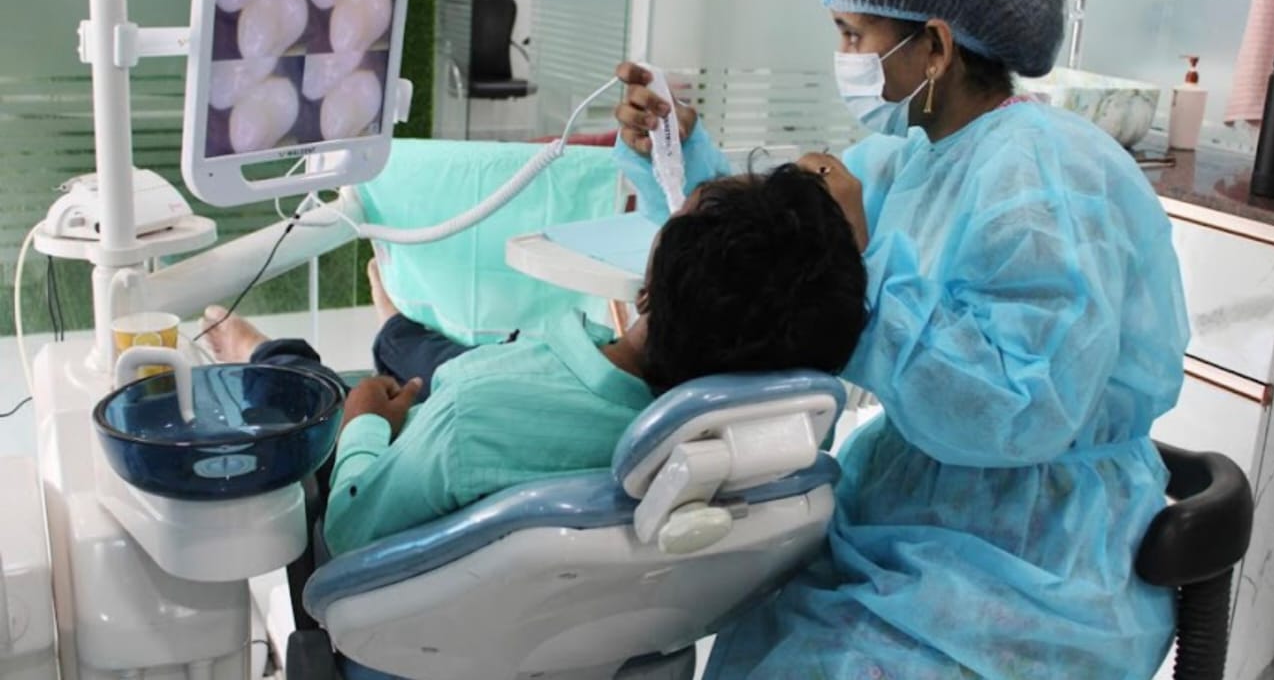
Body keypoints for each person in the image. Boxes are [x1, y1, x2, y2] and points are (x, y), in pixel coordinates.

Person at [612, 0, 1189, 680]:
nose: (843, 56)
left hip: (1038, 555)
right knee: (761, 636)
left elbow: (1021, 408)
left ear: (936, 47)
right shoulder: (910, 158)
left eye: (855, 35)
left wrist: (868, 268)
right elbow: (777, 257)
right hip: (915, 513)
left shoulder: (1042, 176)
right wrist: (679, 151)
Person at [202, 164, 868, 556]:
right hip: (525, 406)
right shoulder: (775, 449)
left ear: (645, 291)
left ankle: (259, 350)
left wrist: (365, 425)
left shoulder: (474, 415)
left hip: (449, 435)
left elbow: (348, 527)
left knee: (325, 385)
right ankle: (394, 323)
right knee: (431, 355)